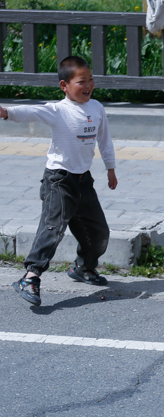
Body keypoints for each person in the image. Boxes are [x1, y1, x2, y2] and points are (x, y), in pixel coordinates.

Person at [1, 56, 118, 307]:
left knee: (99, 233)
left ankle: (84, 268)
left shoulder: (96, 108)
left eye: (91, 80)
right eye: (81, 82)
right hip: (59, 180)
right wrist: (6, 112)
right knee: (53, 228)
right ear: (64, 86)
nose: (88, 85)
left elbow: (104, 141)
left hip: (83, 181)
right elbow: (30, 111)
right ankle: (30, 277)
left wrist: (111, 169)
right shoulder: (58, 110)